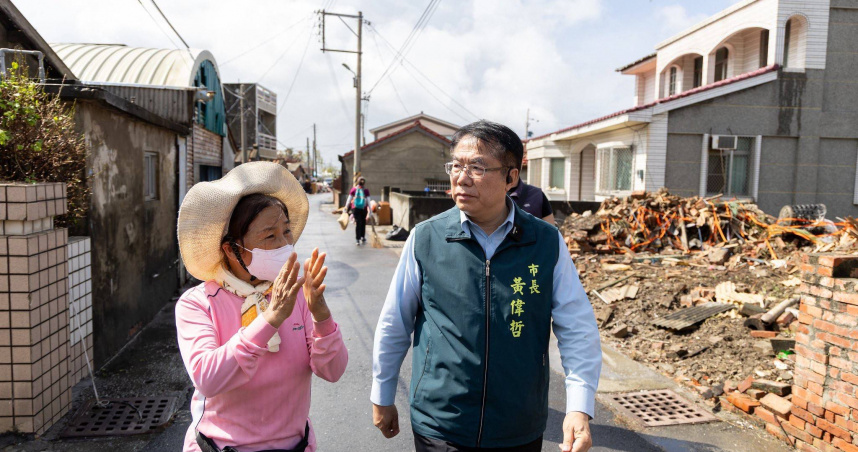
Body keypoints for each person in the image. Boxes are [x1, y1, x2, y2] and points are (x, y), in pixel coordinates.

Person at [371, 120, 601, 452]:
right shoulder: (426, 237)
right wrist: (382, 392)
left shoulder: (545, 242)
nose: (461, 178)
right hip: (440, 424)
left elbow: (576, 326)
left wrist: (579, 406)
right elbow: (395, 321)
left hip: (518, 426)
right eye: (456, 166)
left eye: (477, 167)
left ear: (511, 177)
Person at [175, 161, 348, 452]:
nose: (284, 244)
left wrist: (321, 314)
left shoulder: (296, 296)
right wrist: (270, 319)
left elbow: (332, 371)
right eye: (269, 236)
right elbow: (208, 378)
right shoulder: (198, 304)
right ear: (231, 249)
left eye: (287, 232)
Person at [346, 177, 371, 246]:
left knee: (358, 223)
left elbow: (349, 200)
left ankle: (357, 239)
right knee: (363, 222)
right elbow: (368, 202)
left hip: (355, 208)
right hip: (364, 208)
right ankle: (362, 237)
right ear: (364, 183)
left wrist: (346, 208)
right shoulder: (366, 190)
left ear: (357, 182)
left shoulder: (354, 189)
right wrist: (370, 211)